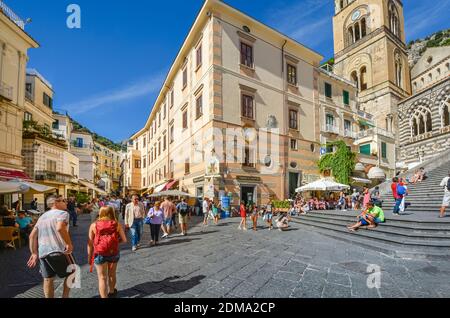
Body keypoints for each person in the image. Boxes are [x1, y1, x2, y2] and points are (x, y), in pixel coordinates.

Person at [26, 195, 76, 298]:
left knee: (48, 278)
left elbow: (32, 236)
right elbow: (60, 228)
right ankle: (65, 296)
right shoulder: (63, 213)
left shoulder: (42, 216)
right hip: (59, 250)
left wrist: (34, 253)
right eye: (63, 201)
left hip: (43, 252)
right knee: (73, 272)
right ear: (55, 203)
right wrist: (68, 243)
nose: (66, 202)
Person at [88, 206, 127, 298]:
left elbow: (90, 243)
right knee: (112, 274)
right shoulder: (117, 224)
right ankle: (112, 291)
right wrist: (116, 242)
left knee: (102, 278)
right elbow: (124, 240)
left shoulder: (94, 225)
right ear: (112, 213)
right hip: (113, 252)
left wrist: (89, 256)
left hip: (99, 254)